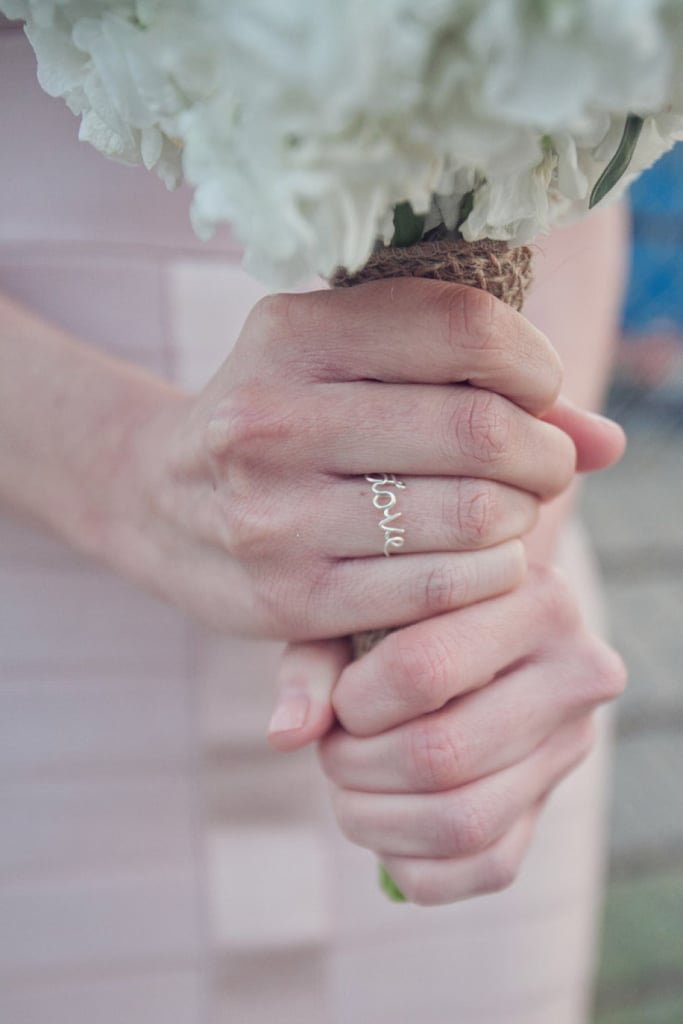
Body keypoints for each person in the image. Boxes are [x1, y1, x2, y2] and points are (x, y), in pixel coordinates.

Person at [0, 16, 627, 1024]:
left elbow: (594, 125)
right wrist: (124, 476)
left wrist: (481, 570)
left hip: (459, 683)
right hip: (36, 614)